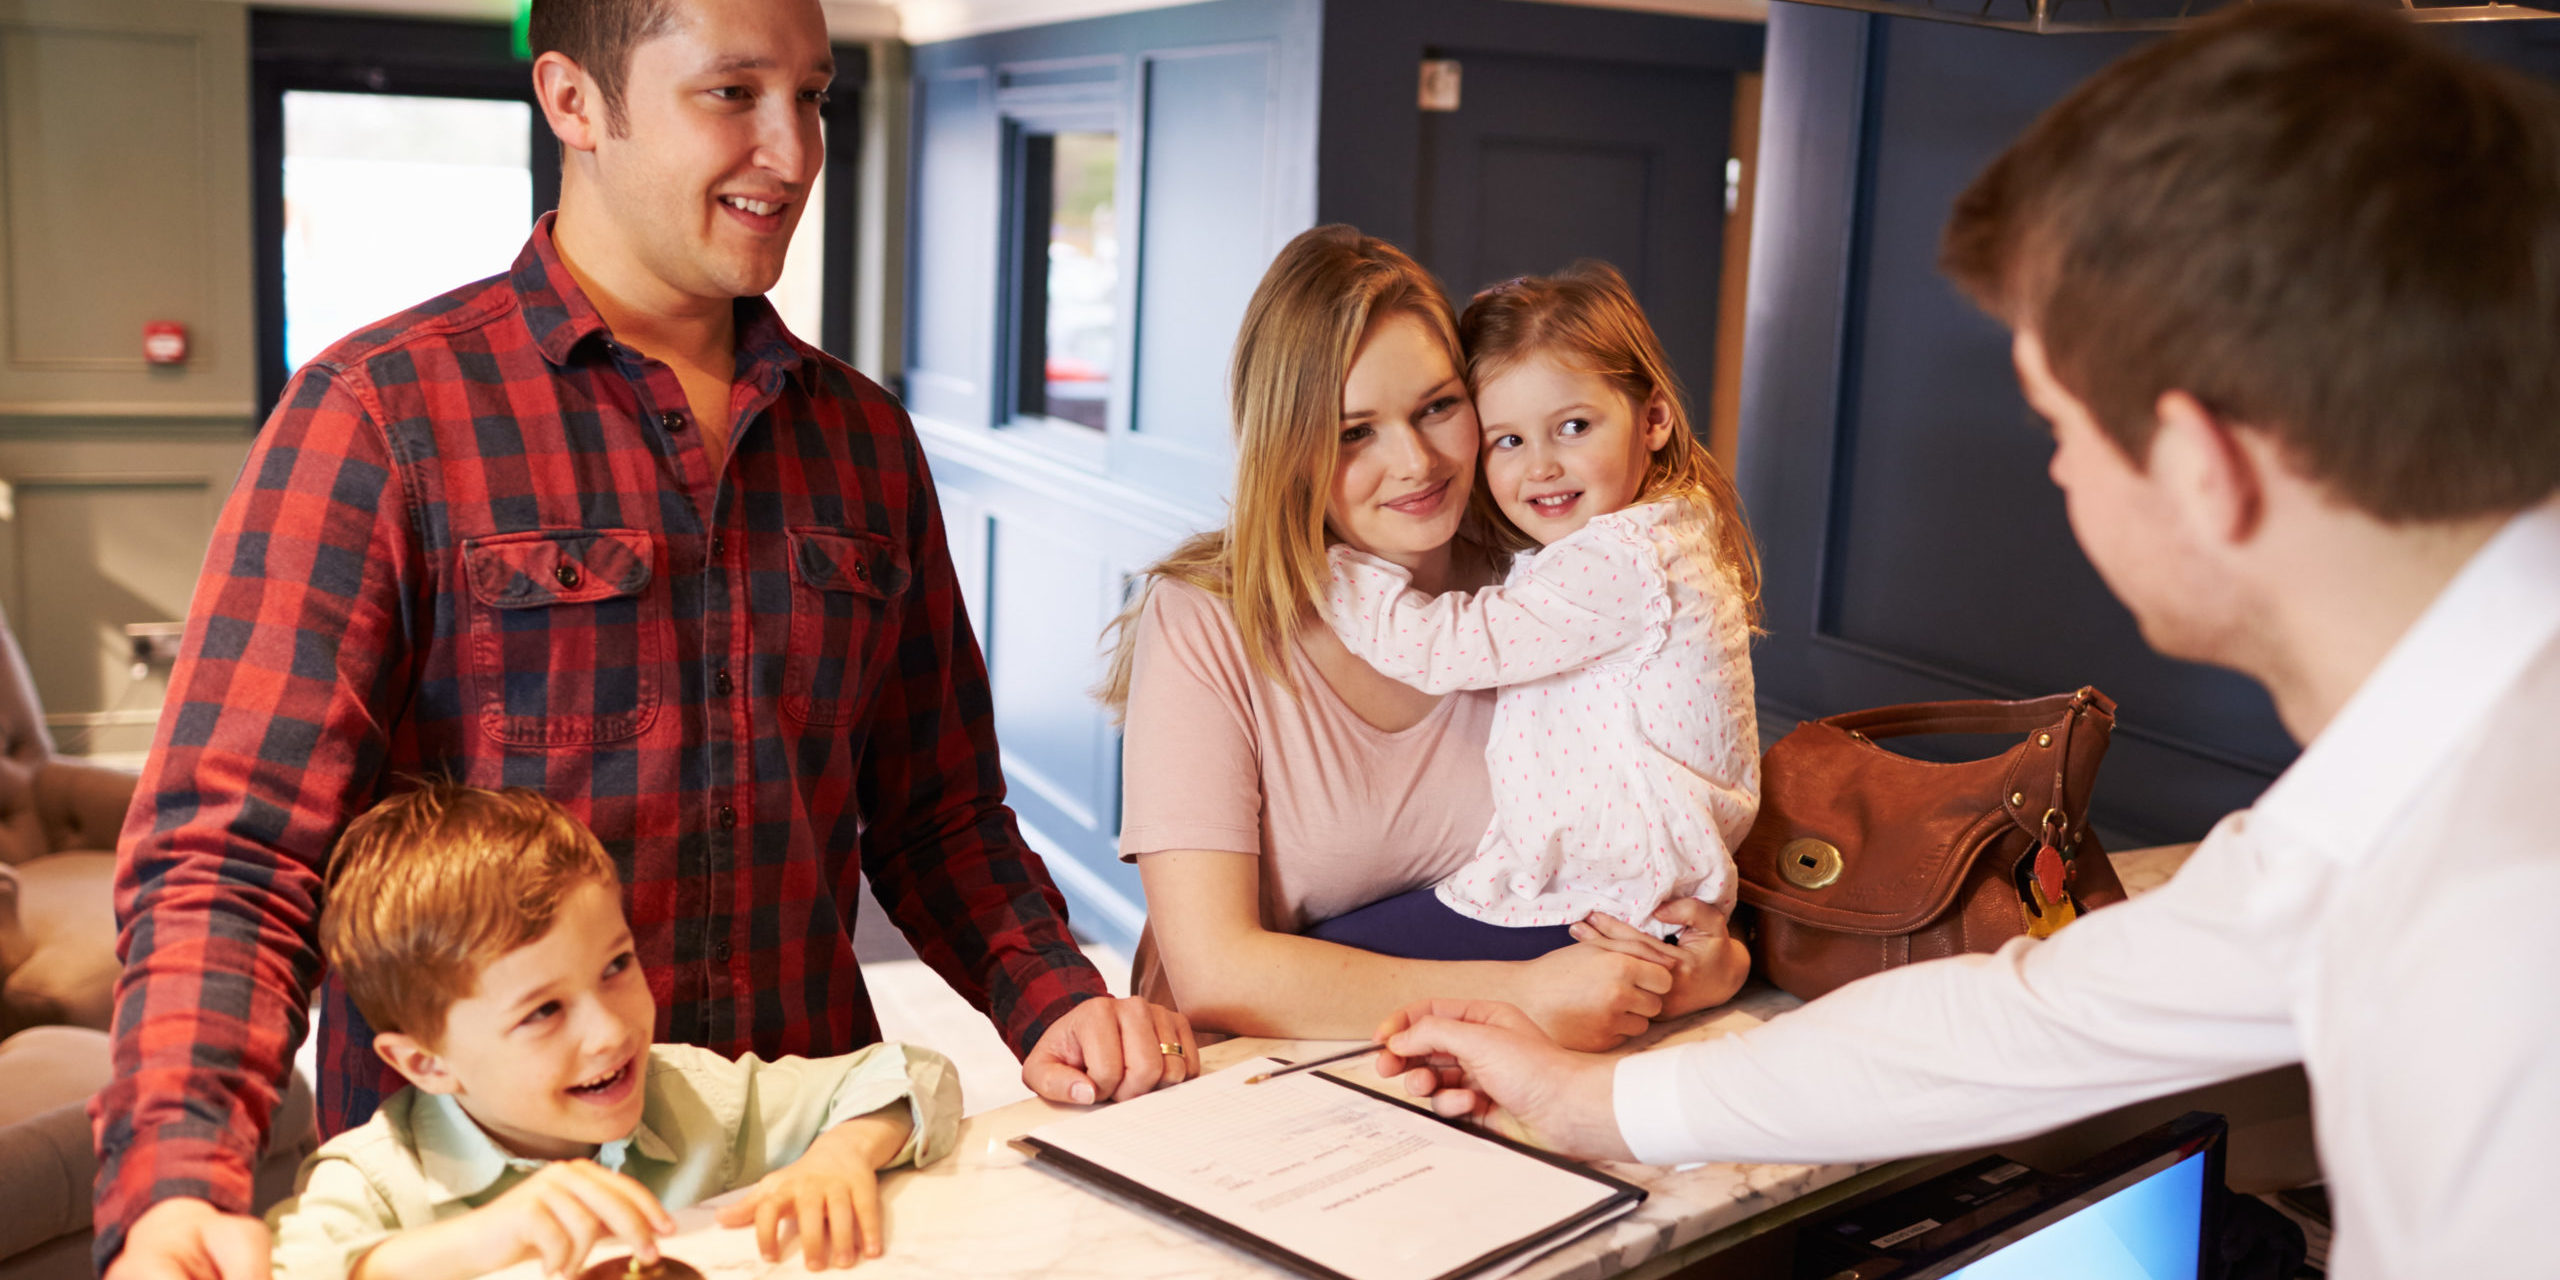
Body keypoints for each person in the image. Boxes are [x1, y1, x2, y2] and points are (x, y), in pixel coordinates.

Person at [1371, 8, 2560, 1277]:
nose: (2056, 473)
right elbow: (2037, 1021)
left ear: (2203, 468)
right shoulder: (2398, 799)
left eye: (2059, 424)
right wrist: (1594, 1104)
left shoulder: (2501, 912)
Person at [94, 0, 1194, 1274]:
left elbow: (939, 808)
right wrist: (179, 1172)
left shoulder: (864, 441)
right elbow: (231, 856)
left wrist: (1053, 992)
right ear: (573, 101)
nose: (789, 153)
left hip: (809, 1193)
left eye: (814, 97)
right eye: (732, 94)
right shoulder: (379, 416)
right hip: (489, 1225)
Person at [1101, 228, 1741, 1053]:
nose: (1416, 462)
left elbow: (1636, 845)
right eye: (1354, 432)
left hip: (1493, 1067)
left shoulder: (1539, 582)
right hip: (1261, 1074)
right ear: (1288, 450)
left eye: (1439, 408)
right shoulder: (1206, 620)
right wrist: (1520, 998)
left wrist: (1700, 963)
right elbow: (1218, 975)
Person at [266, 784, 961, 1280]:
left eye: (616, 966)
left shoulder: (692, 1097)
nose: (610, 1030)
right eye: (543, 1011)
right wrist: (477, 1243)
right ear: (426, 1063)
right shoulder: (376, 1181)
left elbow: (913, 1075)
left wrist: (840, 1154)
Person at [1312, 264, 1760, 998]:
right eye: (1506, 441)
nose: (1542, 465)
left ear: (1653, 418)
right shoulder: (1666, 534)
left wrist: (1327, 567)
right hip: (1627, 891)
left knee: (1323, 962)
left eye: (1574, 426)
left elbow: (1444, 647)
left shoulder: (1624, 561)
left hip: (1594, 898)